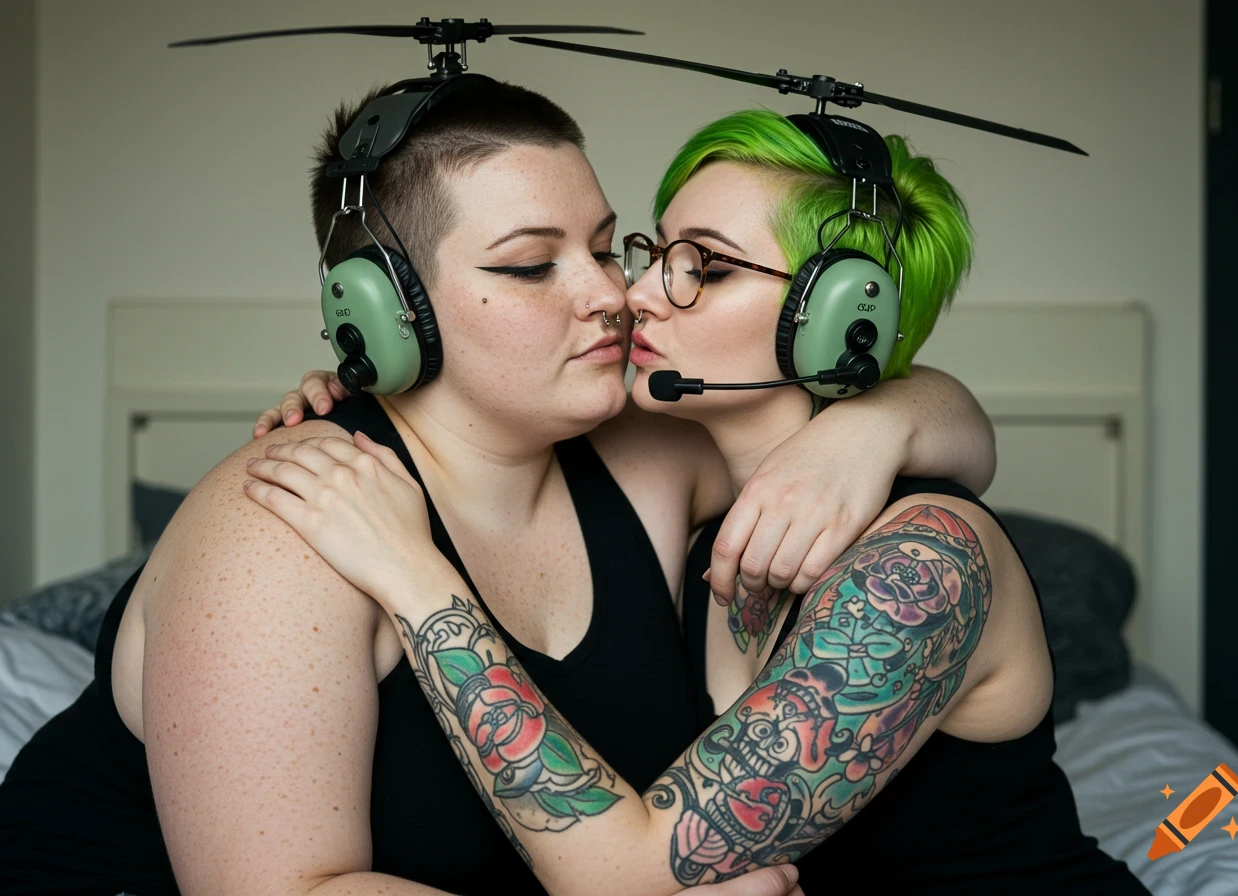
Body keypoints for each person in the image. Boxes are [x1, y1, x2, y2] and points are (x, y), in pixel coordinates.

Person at [0, 83, 995, 896]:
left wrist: (877, 425)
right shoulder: (288, 516)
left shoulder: (655, 450)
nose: (614, 293)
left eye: (607, 245)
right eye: (529, 266)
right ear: (386, 316)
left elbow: (923, 442)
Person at [245, 109, 1149, 894]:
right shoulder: (693, 504)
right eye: (651, 251)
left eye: (704, 268)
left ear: (837, 320)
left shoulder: (919, 568)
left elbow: (629, 878)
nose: (629, 294)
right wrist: (378, 395)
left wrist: (414, 575)